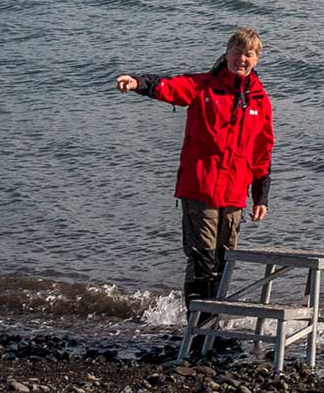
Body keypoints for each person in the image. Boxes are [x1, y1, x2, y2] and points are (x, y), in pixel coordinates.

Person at [113, 29, 274, 322]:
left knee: (225, 261)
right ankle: (198, 328)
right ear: (227, 54)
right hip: (200, 188)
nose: (242, 58)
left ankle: (213, 326)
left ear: (256, 60)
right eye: (237, 51)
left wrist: (260, 195)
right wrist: (138, 83)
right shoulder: (204, 86)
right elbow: (170, 87)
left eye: (249, 53)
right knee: (203, 259)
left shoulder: (260, 100)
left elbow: (262, 151)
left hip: (234, 193)